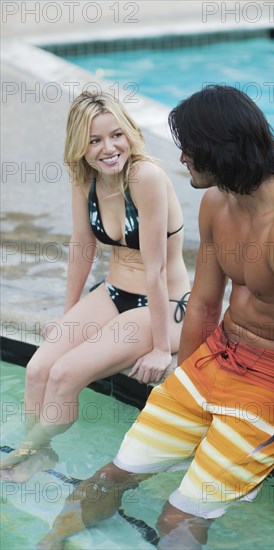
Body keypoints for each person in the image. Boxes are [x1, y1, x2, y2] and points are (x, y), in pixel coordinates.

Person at [36, 85, 274, 550]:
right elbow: (201, 305)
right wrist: (183, 385)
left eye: (190, 148)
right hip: (215, 357)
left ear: (221, 151)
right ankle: (48, 544)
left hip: (270, 376)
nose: (181, 157)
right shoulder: (218, 203)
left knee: (177, 515)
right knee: (111, 476)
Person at [0, 90, 190, 482]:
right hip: (114, 293)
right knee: (38, 369)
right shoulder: (84, 179)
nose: (109, 148)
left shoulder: (146, 176)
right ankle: (39, 454)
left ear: (129, 134)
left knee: (65, 374)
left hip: (163, 306)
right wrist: (68, 314)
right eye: (95, 140)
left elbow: (154, 268)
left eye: (116, 135)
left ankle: (20, 454)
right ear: (80, 146)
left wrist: (159, 346)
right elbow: (82, 247)